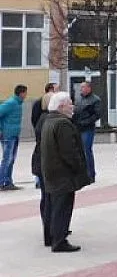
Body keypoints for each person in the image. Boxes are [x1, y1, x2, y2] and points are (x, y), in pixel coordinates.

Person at [41, 92, 91, 252]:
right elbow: (69, 151)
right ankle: (59, 241)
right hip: (63, 174)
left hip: (53, 172)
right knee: (62, 208)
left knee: (54, 207)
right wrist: (79, 169)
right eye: (70, 104)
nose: (73, 107)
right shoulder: (63, 124)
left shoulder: (49, 121)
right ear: (61, 106)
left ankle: (52, 237)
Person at [31, 94, 53, 245]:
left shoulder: (42, 119)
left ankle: (48, 227)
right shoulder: (48, 120)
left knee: (46, 198)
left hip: (40, 162)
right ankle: (49, 231)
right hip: (45, 164)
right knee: (49, 199)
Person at [0, 84, 27, 190]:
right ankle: (2, 182)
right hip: (7, 135)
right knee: (7, 159)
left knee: (11, 159)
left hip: (14, 135)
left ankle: (8, 181)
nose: (26, 95)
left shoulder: (18, 104)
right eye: (25, 93)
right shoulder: (11, 103)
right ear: (21, 93)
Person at [73, 81, 102, 181]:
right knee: (78, 151)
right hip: (77, 127)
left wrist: (86, 122)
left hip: (87, 128)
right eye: (81, 87)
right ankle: (82, 173)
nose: (81, 89)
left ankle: (90, 174)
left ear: (89, 88)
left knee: (86, 150)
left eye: (83, 87)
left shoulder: (95, 100)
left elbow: (97, 115)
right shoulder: (78, 98)